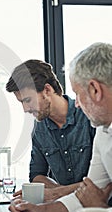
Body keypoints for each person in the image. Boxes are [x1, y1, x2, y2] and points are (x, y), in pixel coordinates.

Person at [9, 42, 112, 212]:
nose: (77, 103)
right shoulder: (104, 131)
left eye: (78, 94)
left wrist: (100, 211)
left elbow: (93, 199)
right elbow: (88, 192)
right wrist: (39, 211)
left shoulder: (92, 122)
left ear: (95, 90)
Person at [6, 59, 96, 201]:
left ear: (47, 90)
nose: (25, 109)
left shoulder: (90, 118)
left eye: (28, 100)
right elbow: (36, 175)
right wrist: (60, 192)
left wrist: (57, 193)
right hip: (62, 209)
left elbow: (100, 182)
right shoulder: (39, 129)